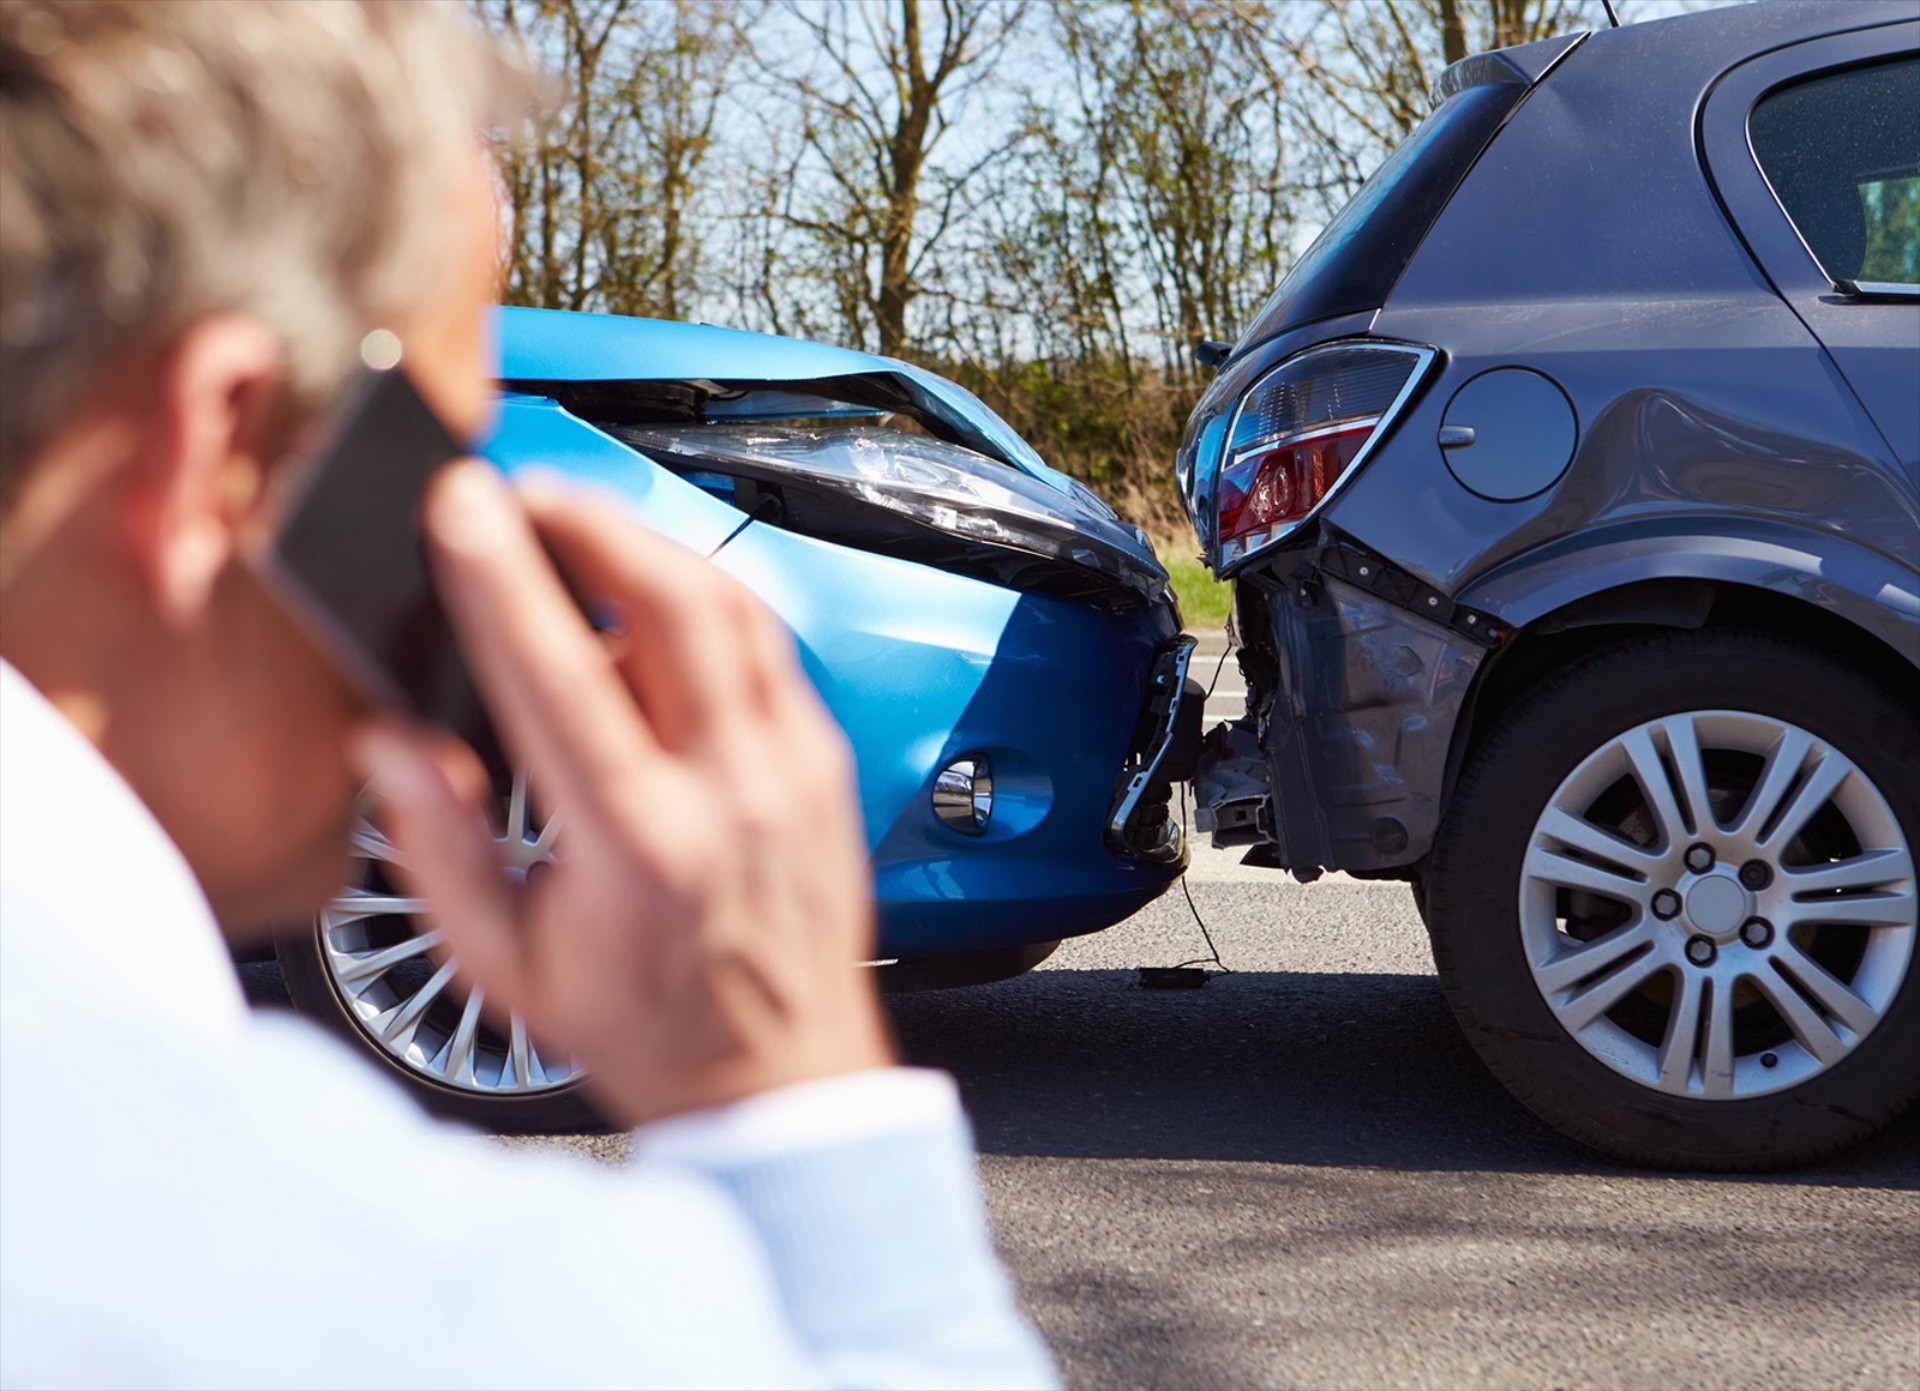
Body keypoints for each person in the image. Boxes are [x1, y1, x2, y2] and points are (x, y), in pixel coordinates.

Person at [0, 2, 1056, 1386]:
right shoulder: (378, 1291)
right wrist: (789, 1084)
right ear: (226, 449)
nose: (452, 546)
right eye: (431, 459)